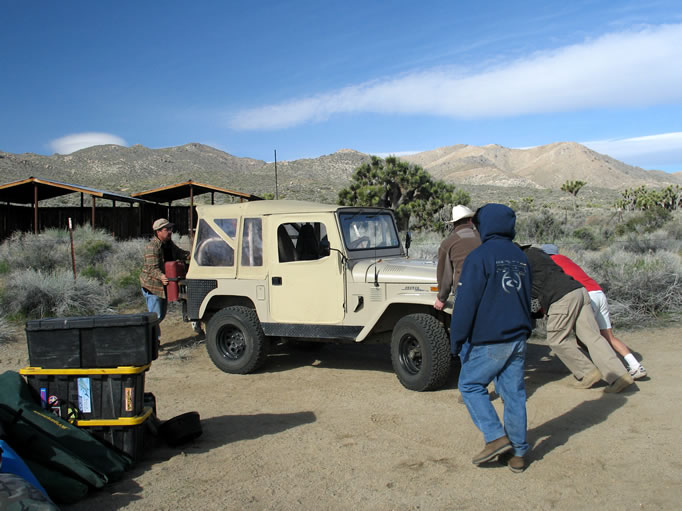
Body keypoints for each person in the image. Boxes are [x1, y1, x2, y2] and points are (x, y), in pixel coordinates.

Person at [450, 204, 532, 473]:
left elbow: (466, 303)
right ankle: (518, 453)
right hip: (518, 336)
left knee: (470, 385)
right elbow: (526, 296)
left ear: (483, 224)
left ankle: (495, 437)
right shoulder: (520, 256)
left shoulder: (480, 256)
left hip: (491, 339)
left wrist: (457, 338)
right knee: (514, 395)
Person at [523, 246, 634, 393]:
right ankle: (620, 376)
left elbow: (533, 290)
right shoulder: (536, 252)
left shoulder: (520, 261)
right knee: (592, 337)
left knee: (556, 340)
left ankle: (587, 372)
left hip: (560, 297)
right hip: (579, 290)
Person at [540, 244, 647, 380]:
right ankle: (635, 365)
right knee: (607, 336)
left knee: (587, 338)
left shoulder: (549, 263)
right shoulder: (566, 259)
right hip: (598, 292)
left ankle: (602, 370)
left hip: (584, 295)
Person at [139, 218, 202, 344]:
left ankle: (151, 340)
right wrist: (162, 276)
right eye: (166, 229)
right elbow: (152, 269)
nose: (170, 231)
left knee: (160, 315)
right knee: (156, 316)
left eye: (170, 228)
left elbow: (180, 253)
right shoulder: (152, 247)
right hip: (153, 286)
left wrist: (193, 255)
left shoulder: (168, 244)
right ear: (158, 232)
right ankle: (152, 342)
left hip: (163, 285)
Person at [434, 205, 481, 311]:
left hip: (464, 293)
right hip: (487, 291)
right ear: (470, 220)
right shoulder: (483, 238)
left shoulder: (448, 243)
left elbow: (445, 276)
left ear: (454, 224)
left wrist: (441, 298)